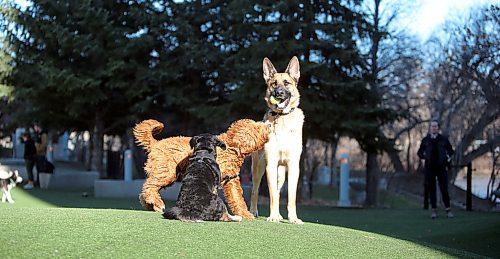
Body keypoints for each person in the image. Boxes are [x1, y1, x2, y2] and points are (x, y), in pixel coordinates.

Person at [417, 120, 455, 219]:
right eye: (432, 126)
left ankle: (448, 210)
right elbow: (420, 152)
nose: (434, 128)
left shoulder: (443, 139)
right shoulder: (426, 140)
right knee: (431, 189)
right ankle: (434, 210)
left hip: (441, 167)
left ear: (438, 128)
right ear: (430, 128)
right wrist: (424, 157)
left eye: (435, 126)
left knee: (444, 188)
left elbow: (451, 151)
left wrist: (447, 158)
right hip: (430, 168)